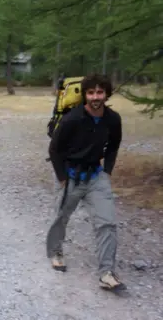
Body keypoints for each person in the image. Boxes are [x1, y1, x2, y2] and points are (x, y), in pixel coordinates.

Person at [46, 73, 126, 292]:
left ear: (107, 94)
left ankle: (106, 273)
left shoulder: (113, 119)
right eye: (91, 92)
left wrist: (107, 171)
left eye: (100, 92)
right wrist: (62, 178)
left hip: (96, 176)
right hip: (69, 175)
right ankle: (56, 251)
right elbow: (54, 149)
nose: (95, 97)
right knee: (61, 217)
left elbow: (114, 145)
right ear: (85, 95)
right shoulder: (72, 119)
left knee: (107, 222)